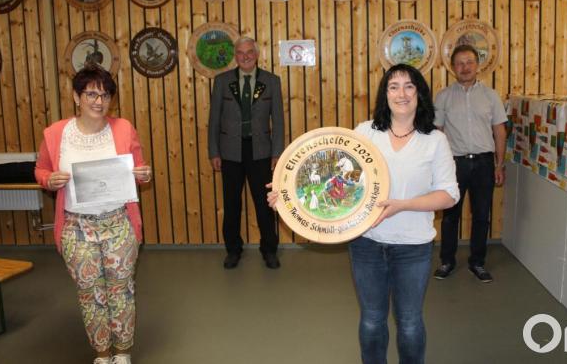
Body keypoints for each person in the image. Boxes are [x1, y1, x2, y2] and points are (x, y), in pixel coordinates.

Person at [268, 64, 459, 364]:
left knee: (409, 323)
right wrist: (289, 193)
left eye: (409, 86)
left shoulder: (435, 140)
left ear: (420, 94)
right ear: (385, 94)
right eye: (393, 86)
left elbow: (449, 195)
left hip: (413, 246)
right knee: (372, 321)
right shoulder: (364, 132)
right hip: (366, 243)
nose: (401, 93)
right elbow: (333, 177)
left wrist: (402, 205)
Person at [34, 65, 152, 364]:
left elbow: (138, 170)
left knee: (121, 291)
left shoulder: (123, 128)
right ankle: (102, 354)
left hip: (118, 223)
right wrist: (49, 179)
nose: (99, 101)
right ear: (76, 96)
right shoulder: (55, 133)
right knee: (90, 294)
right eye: (91, 94)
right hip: (76, 227)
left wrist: (144, 174)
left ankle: (122, 353)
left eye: (105, 94)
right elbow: (41, 169)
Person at [433, 45, 507, 283]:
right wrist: (437, 167)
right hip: (454, 164)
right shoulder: (443, 96)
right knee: (450, 216)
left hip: (485, 163)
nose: (465, 67)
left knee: (482, 215)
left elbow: (499, 131)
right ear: (453, 68)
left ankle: (477, 262)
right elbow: (437, 132)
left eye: (469, 62)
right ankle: (447, 261)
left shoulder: (491, 96)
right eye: (460, 63)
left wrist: (499, 164)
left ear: (477, 65)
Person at [208, 36, 284, 269]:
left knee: (265, 204)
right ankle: (233, 250)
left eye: (249, 51)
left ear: (257, 53)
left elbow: (278, 120)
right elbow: (213, 120)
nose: (245, 56)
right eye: (240, 52)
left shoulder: (271, 81)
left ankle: (269, 249)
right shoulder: (222, 81)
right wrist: (214, 152)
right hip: (230, 152)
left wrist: (277, 152)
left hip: (261, 151)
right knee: (231, 205)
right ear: (235, 55)